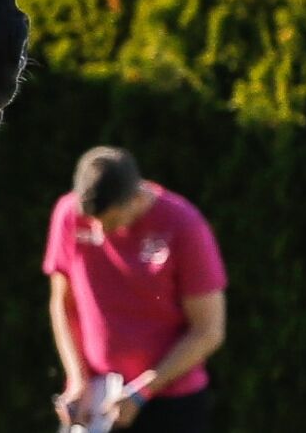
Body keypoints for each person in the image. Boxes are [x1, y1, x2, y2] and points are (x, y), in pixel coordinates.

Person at [45, 146, 227, 432]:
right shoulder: (69, 214)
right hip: (96, 400)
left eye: (110, 223)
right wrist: (77, 378)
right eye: (91, 222)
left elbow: (208, 331)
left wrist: (141, 392)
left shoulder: (184, 226)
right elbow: (62, 304)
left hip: (170, 403)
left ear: (136, 198)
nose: (99, 232)